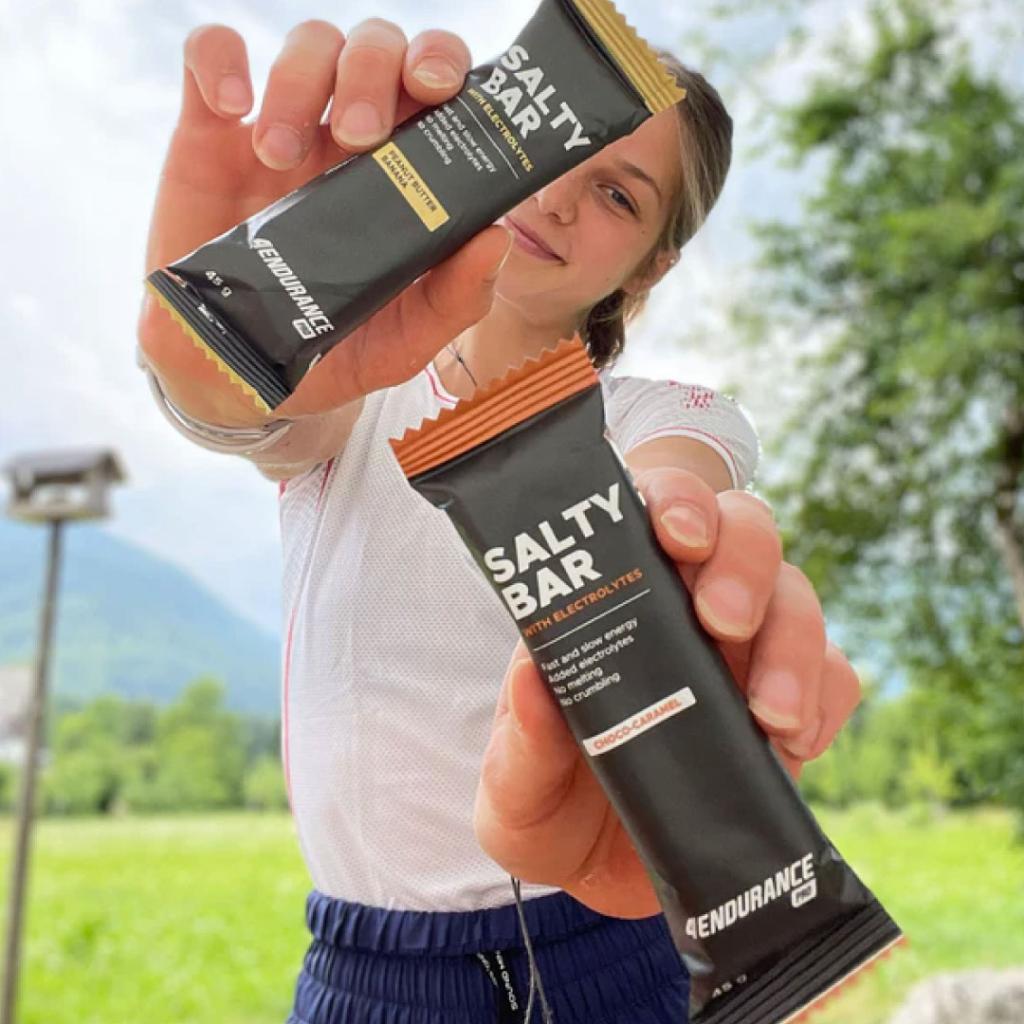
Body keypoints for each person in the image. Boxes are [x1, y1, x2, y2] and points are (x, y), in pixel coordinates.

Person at [137, 17, 862, 1024]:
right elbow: (249, 415)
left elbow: (677, 483)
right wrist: (217, 346)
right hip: (365, 973)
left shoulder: (664, 416)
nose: (558, 196)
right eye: (545, 148)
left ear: (648, 269)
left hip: (611, 956)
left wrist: (672, 537)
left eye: (617, 194)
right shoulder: (355, 397)